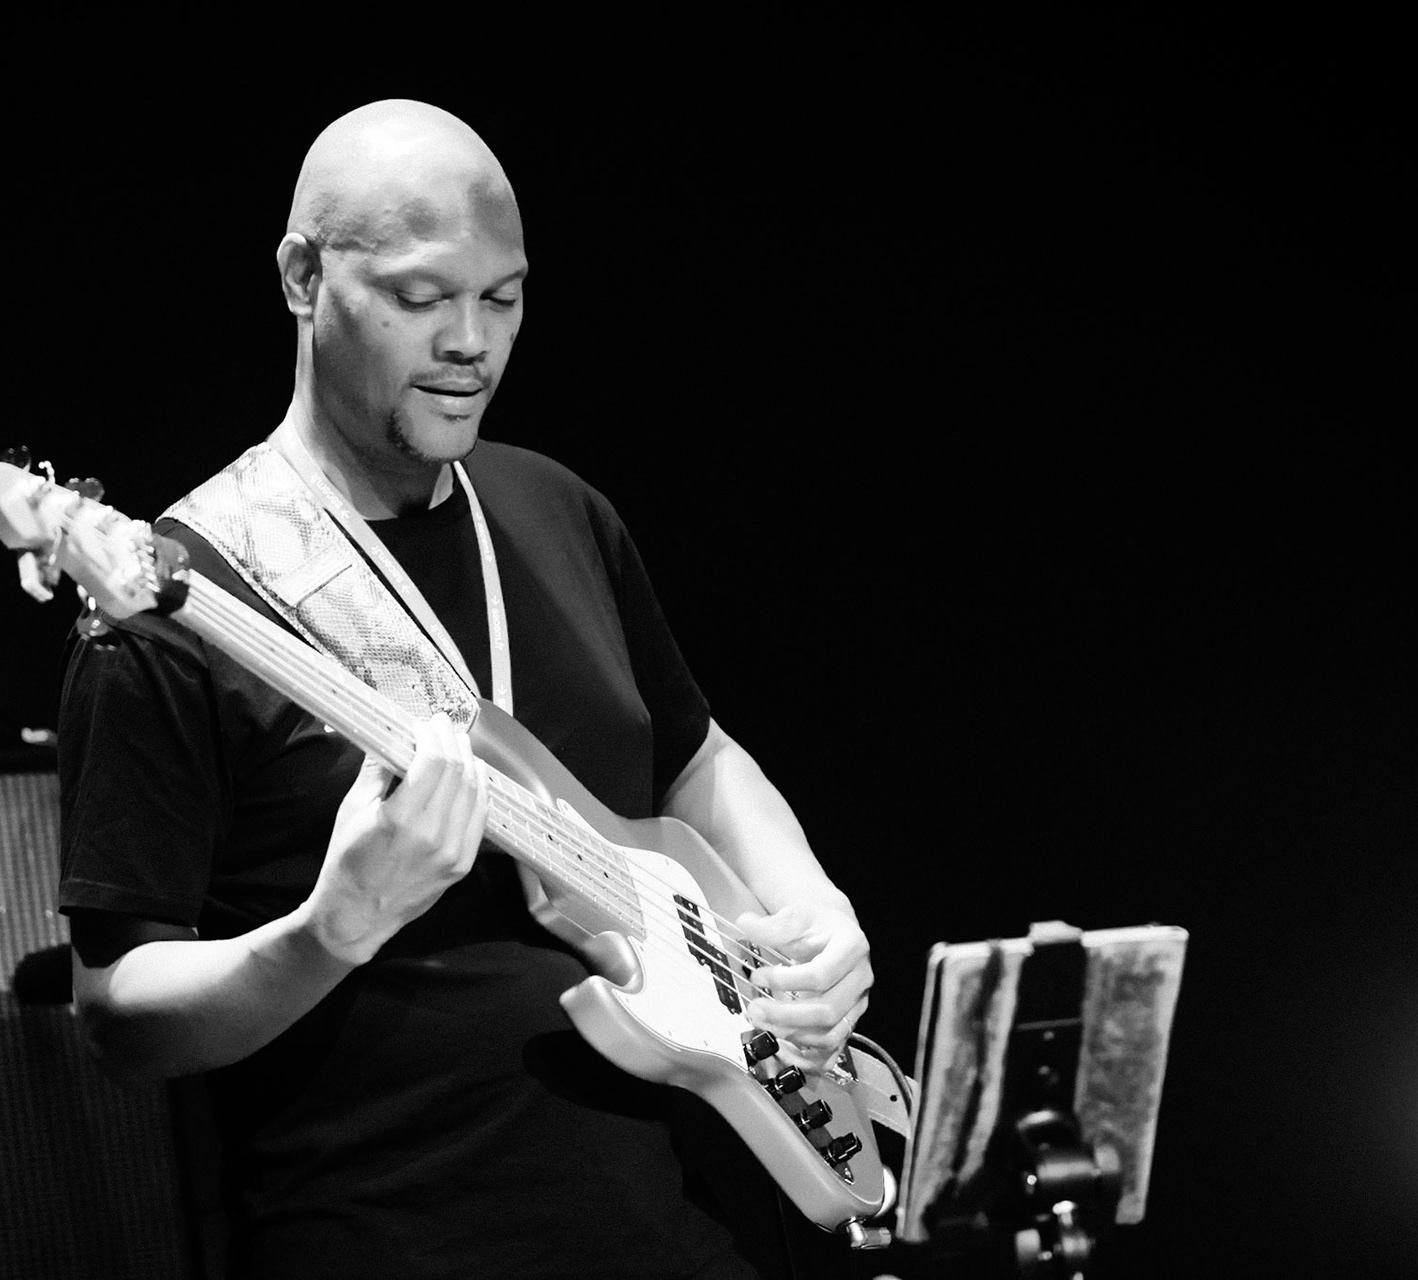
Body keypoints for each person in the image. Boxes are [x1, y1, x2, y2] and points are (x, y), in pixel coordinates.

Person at [56, 99, 874, 1280]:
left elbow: (697, 760)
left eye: (503, 298)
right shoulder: (177, 607)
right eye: (422, 296)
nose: (472, 344)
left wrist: (814, 911)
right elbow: (118, 1011)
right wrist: (325, 931)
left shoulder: (557, 508)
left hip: (682, 1223)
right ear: (302, 275)